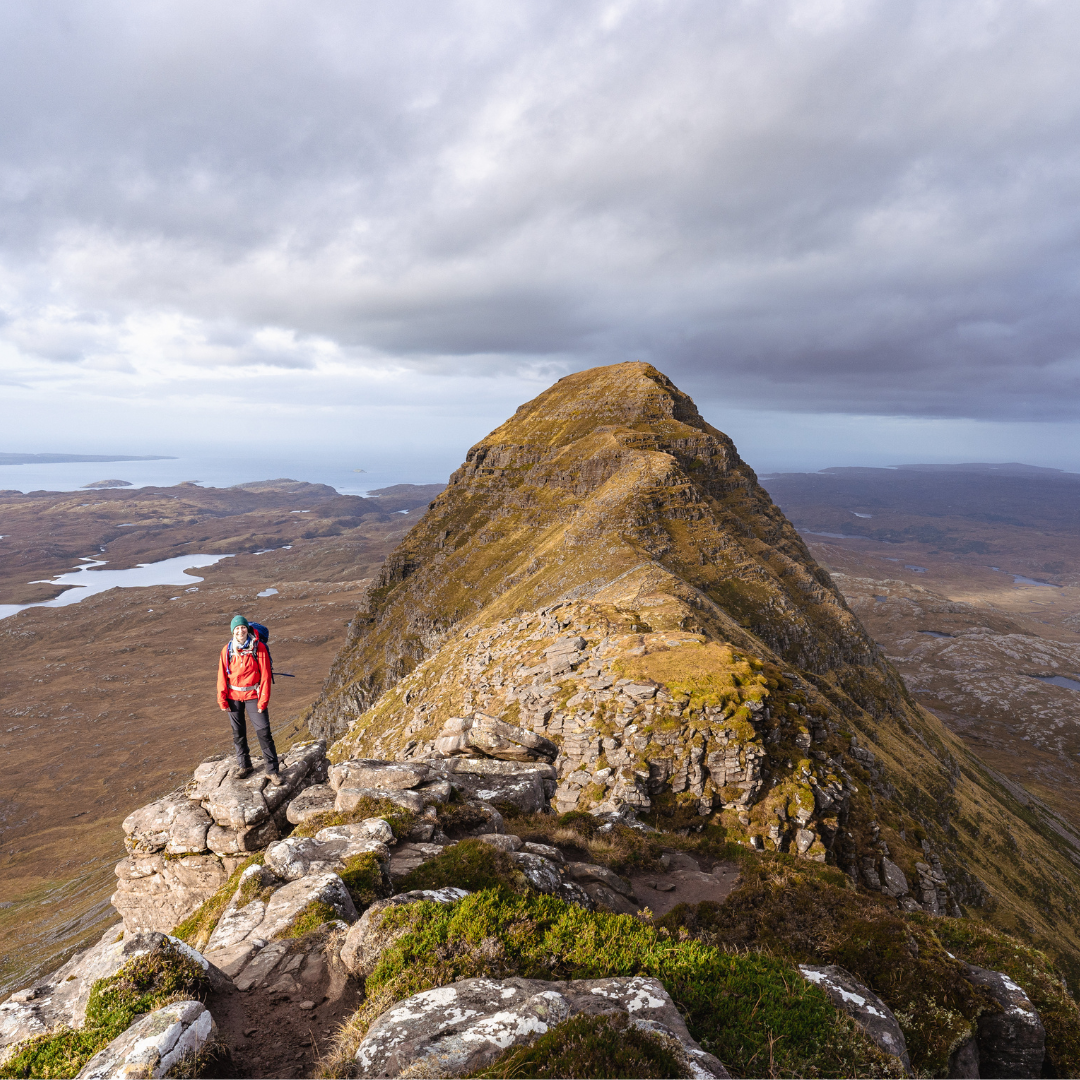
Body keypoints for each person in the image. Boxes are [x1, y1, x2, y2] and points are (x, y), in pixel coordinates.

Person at [217, 615, 283, 783]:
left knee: (264, 732)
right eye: (237, 628)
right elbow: (221, 676)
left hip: (254, 695)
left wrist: (263, 701)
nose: (240, 631)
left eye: (243, 627)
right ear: (233, 631)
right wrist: (222, 699)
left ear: (247, 629)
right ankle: (244, 765)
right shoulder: (227, 650)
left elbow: (266, 676)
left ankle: (272, 770)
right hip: (233, 696)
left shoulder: (258, 648)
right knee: (238, 734)